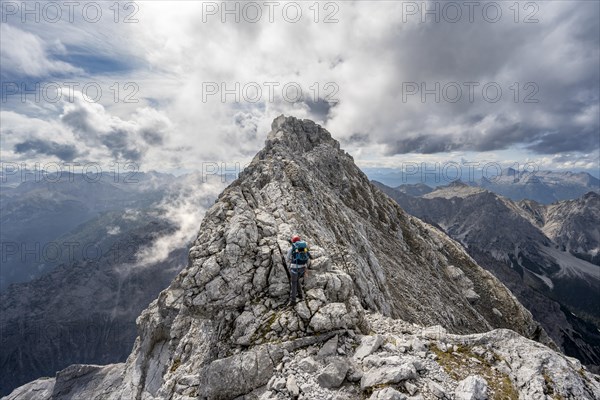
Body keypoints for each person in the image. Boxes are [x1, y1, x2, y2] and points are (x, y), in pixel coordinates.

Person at [286, 235, 312, 306]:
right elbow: (309, 255)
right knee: (297, 280)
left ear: (293, 241)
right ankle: (301, 295)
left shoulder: (293, 247)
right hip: (303, 268)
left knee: (293, 283)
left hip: (295, 268)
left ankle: (293, 300)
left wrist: (289, 264)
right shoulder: (304, 247)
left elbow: (287, 258)